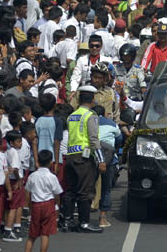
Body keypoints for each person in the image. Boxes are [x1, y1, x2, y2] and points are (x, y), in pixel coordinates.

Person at [62, 85, 104, 233]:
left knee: (71, 190)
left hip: (70, 157)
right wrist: (101, 160)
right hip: (83, 158)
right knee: (84, 191)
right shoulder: (90, 116)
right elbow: (93, 139)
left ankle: (67, 221)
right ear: (93, 100)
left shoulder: (71, 115)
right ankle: (84, 223)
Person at [25, 149, 63, 252]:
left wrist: (28, 207)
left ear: (38, 162)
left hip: (35, 204)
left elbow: (27, 192)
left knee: (32, 235)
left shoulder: (32, 176)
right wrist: (57, 205)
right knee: (45, 233)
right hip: (48, 204)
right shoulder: (52, 177)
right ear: (51, 162)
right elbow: (57, 193)